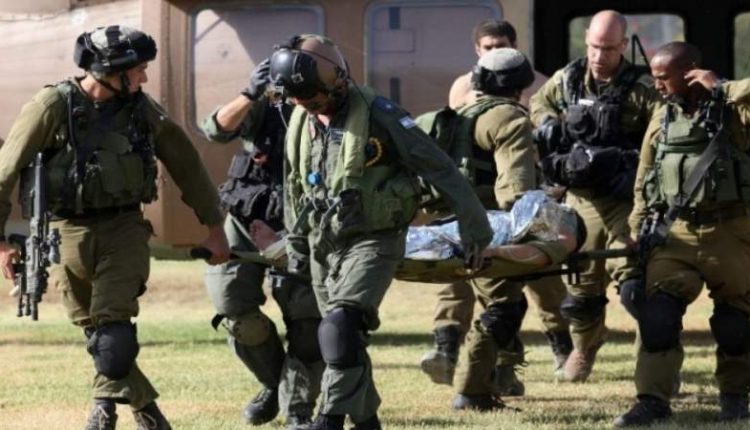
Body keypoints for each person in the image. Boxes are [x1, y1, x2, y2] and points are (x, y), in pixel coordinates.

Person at [0, 26, 230, 430]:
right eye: (138, 70)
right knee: (99, 335)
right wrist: (1, 242)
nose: (144, 78)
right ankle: (148, 411)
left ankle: (101, 412)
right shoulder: (51, 106)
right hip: (65, 232)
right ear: (112, 71)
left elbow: (186, 163)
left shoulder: (141, 110)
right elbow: (6, 170)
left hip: (124, 228)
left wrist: (214, 225)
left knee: (114, 331)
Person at [269, 34, 493, 430]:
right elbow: (293, 185)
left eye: (313, 99)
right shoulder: (301, 121)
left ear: (337, 82)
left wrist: (475, 228)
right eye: (299, 101)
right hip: (323, 242)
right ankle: (367, 422)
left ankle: (328, 419)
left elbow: (438, 167)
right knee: (342, 341)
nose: (306, 107)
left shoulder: (381, 115)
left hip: (375, 236)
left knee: (340, 326)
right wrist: (298, 245)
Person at [423, 19, 571, 394]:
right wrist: (534, 214)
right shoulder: (504, 113)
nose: (494, 51)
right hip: (495, 214)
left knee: (521, 290)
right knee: (501, 299)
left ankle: (530, 363)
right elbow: (514, 189)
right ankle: (481, 377)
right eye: (488, 46)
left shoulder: (477, 106)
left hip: (465, 211)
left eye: (500, 45)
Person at [614, 42, 750, 427]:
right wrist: (637, 229)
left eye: (663, 77)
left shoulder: (735, 112)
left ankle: (735, 397)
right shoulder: (662, 116)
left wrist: (720, 86)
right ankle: (652, 401)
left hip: (730, 232)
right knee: (658, 318)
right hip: (676, 235)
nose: (656, 85)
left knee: (736, 324)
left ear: (690, 72)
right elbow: (645, 178)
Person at [529, 10, 661, 383]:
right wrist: (547, 124)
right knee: (581, 290)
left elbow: (663, 131)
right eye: (594, 46)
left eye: (608, 48)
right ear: (586, 38)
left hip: (625, 200)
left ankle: (653, 360)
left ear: (624, 45)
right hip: (580, 198)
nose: (599, 56)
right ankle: (584, 348)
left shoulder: (641, 88)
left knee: (636, 286)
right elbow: (537, 103)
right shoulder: (568, 79)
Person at [200, 58, 323, 428]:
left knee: (306, 321)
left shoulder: (335, 107)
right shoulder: (268, 103)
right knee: (236, 311)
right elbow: (216, 129)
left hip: (304, 224)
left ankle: (297, 408)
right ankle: (274, 383)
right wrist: (249, 93)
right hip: (248, 217)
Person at [444, 47, 551, 411]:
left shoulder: (462, 113)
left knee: (503, 303)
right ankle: (471, 391)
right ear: (521, 84)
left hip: (452, 225)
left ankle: (499, 379)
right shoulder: (509, 118)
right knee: (504, 307)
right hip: (491, 228)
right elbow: (514, 193)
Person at [448, 19, 547, 109]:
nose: (494, 52)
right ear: (478, 50)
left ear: (514, 46)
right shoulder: (463, 86)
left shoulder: (540, 85)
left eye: (500, 46)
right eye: (488, 48)